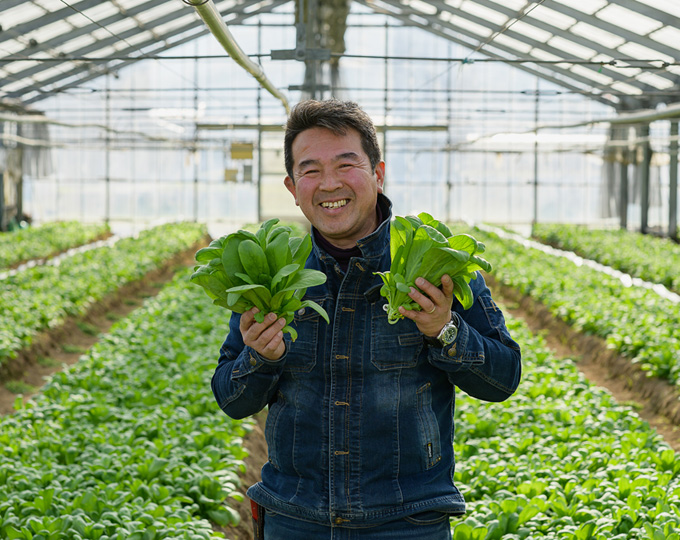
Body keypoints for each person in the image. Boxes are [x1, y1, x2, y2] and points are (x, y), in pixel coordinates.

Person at [211, 99, 522, 539]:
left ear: (378, 173)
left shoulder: (430, 263)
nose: (329, 183)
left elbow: (502, 378)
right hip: (296, 522)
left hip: (405, 524)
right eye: (310, 170)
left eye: (346, 164)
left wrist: (445, 331)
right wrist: (259, 358)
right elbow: (232, 399)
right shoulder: (272, 272)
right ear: (292, 186)